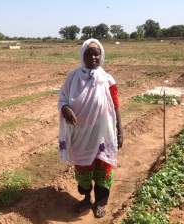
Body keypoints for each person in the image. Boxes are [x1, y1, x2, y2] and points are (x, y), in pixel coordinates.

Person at [58, 38, 123, 218]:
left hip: (103, 132)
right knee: (83, 168)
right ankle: (86, 199)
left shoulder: (107, 79)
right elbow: (62, 98)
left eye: (97, 53)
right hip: (80, 133)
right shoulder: (73, 77)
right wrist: (66, 108)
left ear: (101, 55)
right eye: (89, 54)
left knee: (103, 167)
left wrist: (120, 130)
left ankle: (100, 202)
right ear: (82, 55)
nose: (93, 57)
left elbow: (115, 105)